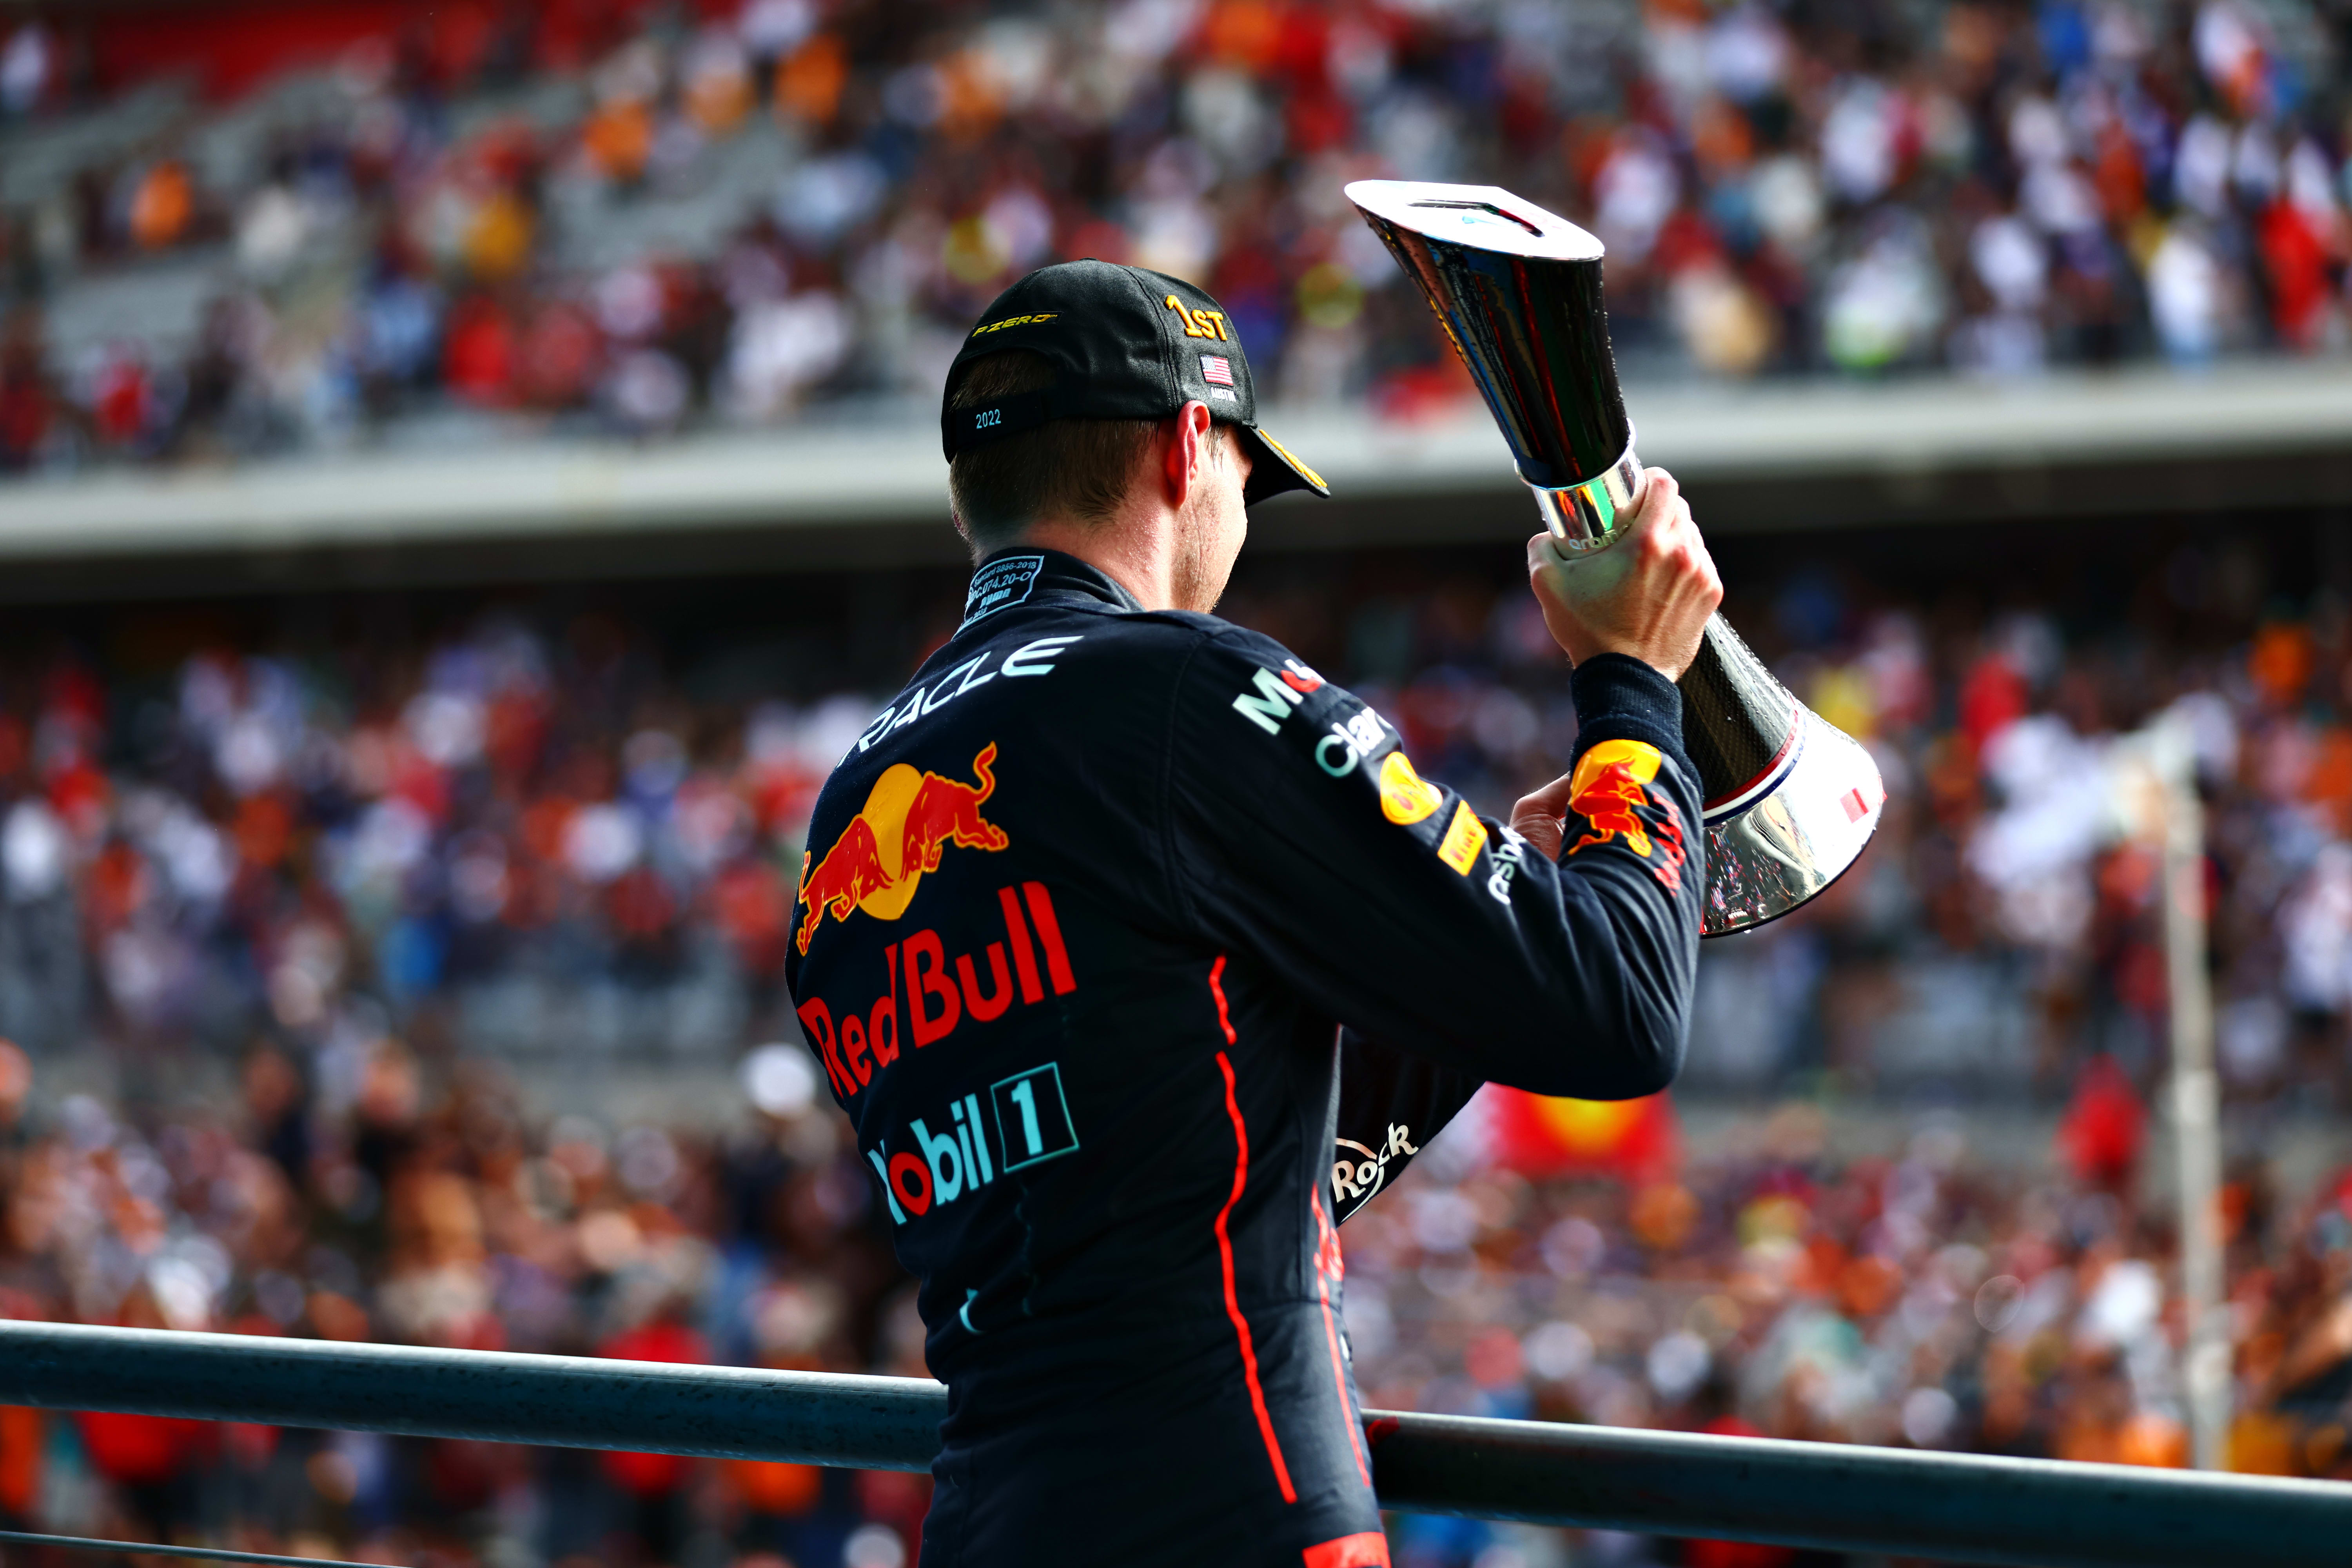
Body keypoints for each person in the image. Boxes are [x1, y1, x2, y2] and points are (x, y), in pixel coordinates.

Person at [782, 260, 1720, 1568]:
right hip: (1245, 1510)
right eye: (1243, 479)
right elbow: (1619, 1007)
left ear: (965, 501)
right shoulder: (1181, 684)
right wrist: (1633, 691)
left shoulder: (842, 812)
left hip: (990, 1524)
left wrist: (1459, 923)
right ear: (1188, 449)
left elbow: (1193, 1162)